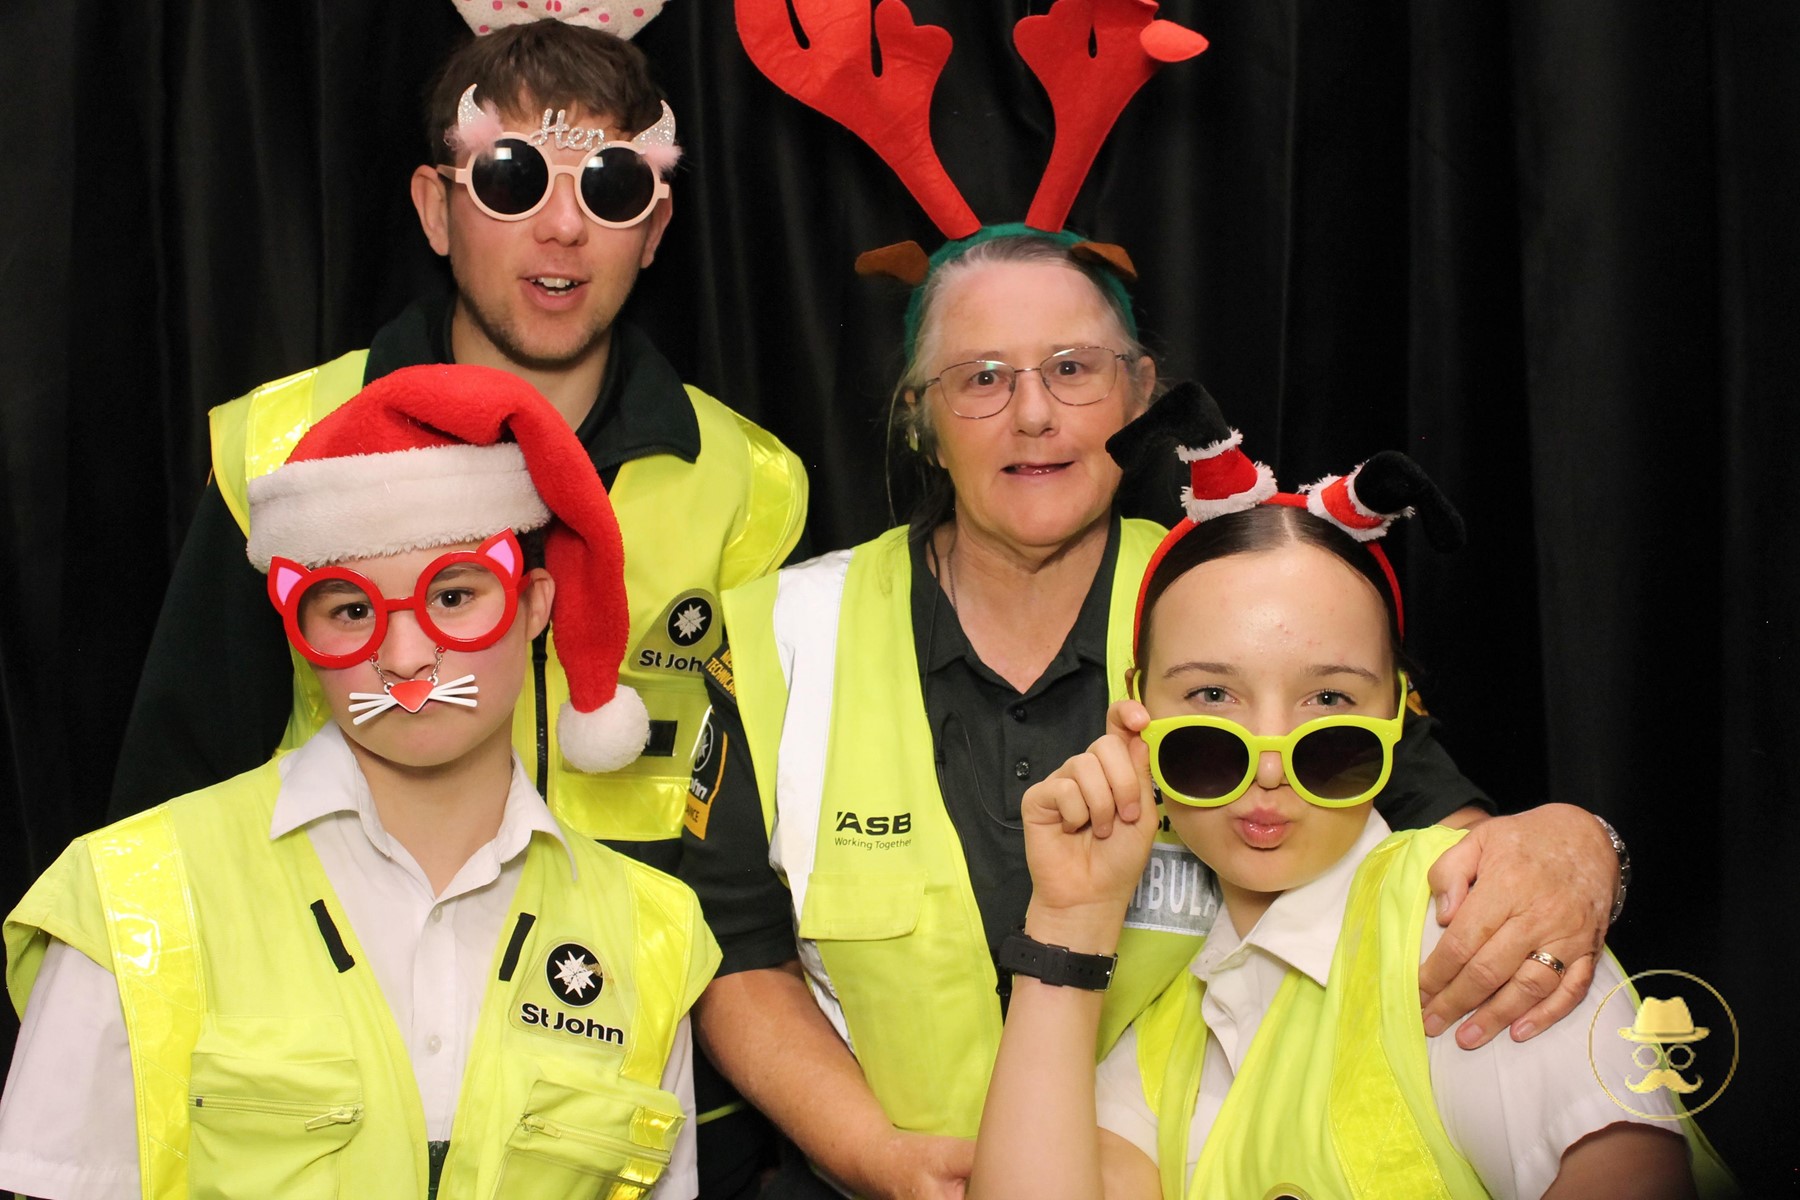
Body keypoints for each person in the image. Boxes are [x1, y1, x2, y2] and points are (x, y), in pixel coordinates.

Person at [678, 230, 1628, 1197]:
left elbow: (1455, 845)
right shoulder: (783, 633)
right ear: (920, 420)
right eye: (982, 378)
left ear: (1141, 395)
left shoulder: (1244, 597)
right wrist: (867, 1156)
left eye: (1072, 369)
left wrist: (1576, 842)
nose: (1034, 414)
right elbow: (734, 951)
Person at [0, 365, 719, 1200]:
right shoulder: (132, 898)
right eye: (351, 612)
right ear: (300, 634)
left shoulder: (653, 935)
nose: (408, 661)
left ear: (534, 607)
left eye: (453, 596)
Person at [109, 19, 809, 870]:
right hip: (342, 969)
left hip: (637, 983)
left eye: (611, 188)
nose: (562, 228)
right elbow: (173, 800)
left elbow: (776, 823)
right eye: (513, 181)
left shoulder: (749, 481)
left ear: (655, 229)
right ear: (437, 210)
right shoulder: (278, 447)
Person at [965, 423, 1724, 1199]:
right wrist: (1069, 919)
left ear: (1395, 713)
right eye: (1210, 696)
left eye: (1328, 700)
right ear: (1137, 709)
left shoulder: (1473, 923)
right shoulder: (1170, 1007)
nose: (1267, 761)